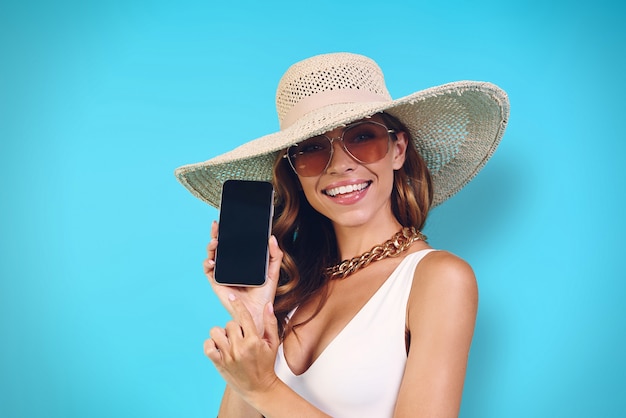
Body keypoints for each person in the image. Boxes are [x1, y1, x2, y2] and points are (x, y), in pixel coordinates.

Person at [174, 52, 509, 417]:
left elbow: (263, 392)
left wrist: (265, 387)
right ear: (296, 173)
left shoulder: (438, 279)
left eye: (363, 138)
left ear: (398, 149)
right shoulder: (291, 290)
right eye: (313, 149)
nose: (340, 164)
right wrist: (252, 319)